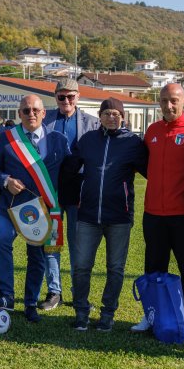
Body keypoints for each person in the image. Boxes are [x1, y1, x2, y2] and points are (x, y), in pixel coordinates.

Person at [131, 84, 184, 339]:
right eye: (164, 101)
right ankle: (151, 313)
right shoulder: (152, 131)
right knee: (153, 267)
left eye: (173, 100)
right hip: (153, 213)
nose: (168, 106)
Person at [0, 94, 70, 322]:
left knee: (37, 257)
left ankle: (31, 302)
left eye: (35, 110)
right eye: (25, 110)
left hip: (42, 210)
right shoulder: (6, 138)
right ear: (19, 114)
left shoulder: (59, 140)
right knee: (1, 242)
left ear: (44, 113)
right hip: (9, 206)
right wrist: (6, 180)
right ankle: (6, 295)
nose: (31, 114)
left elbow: (70, 173)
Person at [67, 97, 146, 331]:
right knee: (81, 266)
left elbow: (154, 171)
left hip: (119, 217)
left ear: (123, 118)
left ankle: (107, 313)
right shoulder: (88, 140)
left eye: (116, 114)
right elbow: (70, 170)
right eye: (107, 113)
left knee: (115, 268)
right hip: (88, 215)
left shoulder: (133, 143)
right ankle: (81, 312)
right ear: (99, 117)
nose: (112, 117)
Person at [39, 78, 99, 311]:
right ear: (55, 98)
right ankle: (55, 291)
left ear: (78, 97)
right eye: (61, 96)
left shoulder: (92, 123)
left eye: (70, 96)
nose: (66, 101)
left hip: (79, 193)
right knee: (51, 243)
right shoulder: (45, 120)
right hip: (51, 191)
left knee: (78, 245)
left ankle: (78, 293)